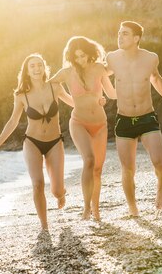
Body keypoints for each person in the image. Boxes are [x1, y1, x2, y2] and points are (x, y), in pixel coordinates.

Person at [0, 53, 74, 231]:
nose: (36, 68)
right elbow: (12, 122)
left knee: (56, 190)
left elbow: (74, 102)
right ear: (27, 70)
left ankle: (61, 194)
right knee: (38, 183)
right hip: (32, 142)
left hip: (55, 142)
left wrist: (95, 100)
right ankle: (44, 226)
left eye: (39, 65)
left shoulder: (54, 87)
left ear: (44, 68)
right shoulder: (21, 95)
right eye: (32, 66)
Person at [105, 21, 162, 216]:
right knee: (128, 169)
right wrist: (101, 93)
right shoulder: (112, 58)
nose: (120, 37)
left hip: (147, 117)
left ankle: (161, 187)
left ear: (136, 38)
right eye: (119, 33)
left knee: (160, 162)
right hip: (124, 119)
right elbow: (98, 75)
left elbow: (156, 78)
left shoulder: (150, 58)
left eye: (125, 34)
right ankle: (133, 209)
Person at [49, 36, 116, 221]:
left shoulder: (99, 68)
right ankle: (86, 208)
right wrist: (63, 96)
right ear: (71, 57)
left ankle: (96, 209)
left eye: (83, 55)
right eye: (76, 57)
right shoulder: (67, 72)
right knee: (89, 160)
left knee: (97, 170)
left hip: (100, 124)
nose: (80, 60)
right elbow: (48, 87)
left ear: (89, 53)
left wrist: (131, 90)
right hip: (79, 122)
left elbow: (111, 93)